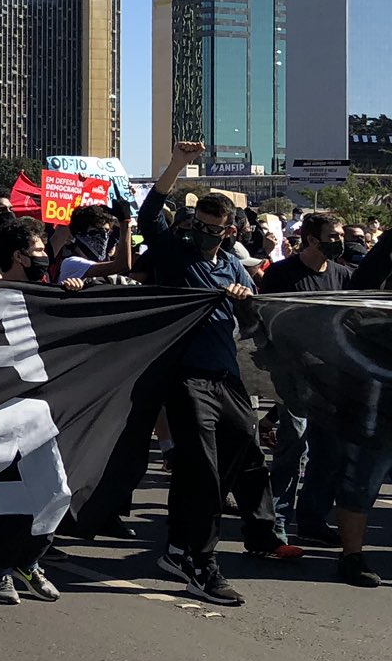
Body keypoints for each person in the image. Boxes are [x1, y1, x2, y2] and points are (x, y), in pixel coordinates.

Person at [139, 141, 302, 607]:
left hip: (225, 374)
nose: (208, 234)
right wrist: (176, 165)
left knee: (247, 455)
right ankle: (200, 563)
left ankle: (242, 536)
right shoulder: (175, 254)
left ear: (230, 230)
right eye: (201, 226)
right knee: (202, 469)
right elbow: (151, 212)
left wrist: (244, 300)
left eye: (216, 228)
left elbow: (252, 322)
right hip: (185, 375)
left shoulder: (232, 263)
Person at [258, 213, 380, 587]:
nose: (339, 240)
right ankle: (275, 523)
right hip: (293, 374)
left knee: (329, 452)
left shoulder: (343, 276)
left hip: (331, 378)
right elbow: (267, 322)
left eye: (341, 234)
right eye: (332, 235)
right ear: (310, 239)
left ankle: (312, 520)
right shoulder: (281, 275)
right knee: (292, 446)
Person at [0, 219, 71, 606]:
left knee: (55, 490)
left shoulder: (48, 294)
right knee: (1, 497)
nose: (45, 257)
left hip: (40, 411)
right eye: (38, 251)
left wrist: (72, 297)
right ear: (18, 256)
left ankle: (29, 562)